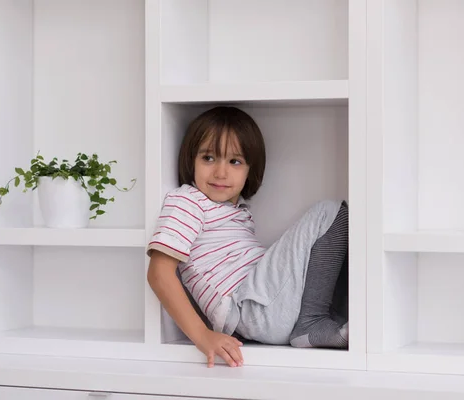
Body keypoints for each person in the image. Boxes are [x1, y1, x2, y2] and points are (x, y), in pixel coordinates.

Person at [146, 106, 349, 368]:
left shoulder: (236, 213)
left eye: (235, 161)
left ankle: (326, 321)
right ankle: (312, 323)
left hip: (268, 310)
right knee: (328, 213)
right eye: (208, 158)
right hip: (249, 308)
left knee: (350, 236)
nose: (220, 172)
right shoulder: (187, 201)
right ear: (190, 160)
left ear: (249, 170)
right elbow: (159, 273)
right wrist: (202, 335)